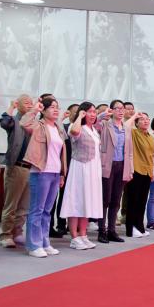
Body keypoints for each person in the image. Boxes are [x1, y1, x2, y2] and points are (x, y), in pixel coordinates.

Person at [20, 97, 68, 258]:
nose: (56, 109)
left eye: (57, 107)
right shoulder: (38, 125)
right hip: (40, 171)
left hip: (55, 172)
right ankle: (33, 245)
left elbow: (61, 153)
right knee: (37, 209)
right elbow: (24, 123)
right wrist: (35, 109)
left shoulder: (58, 128)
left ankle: (44, 242)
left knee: (47, 211)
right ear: (44, 110)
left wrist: (62, 174)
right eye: (52, 107)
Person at [60, 102, 102, 249]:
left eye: (94, 112)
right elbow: (74, 132)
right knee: (76, 201)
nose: (93, 114)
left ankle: (83, 234)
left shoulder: (94, 130)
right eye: (89, 112)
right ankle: (74, 237)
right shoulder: (76, 126)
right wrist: (79, 117)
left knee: (87, 202)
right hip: (80, 168)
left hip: (93, 169)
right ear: (83, 113)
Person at [0, 94, 33, 248]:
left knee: (24, 205)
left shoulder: (34, 122)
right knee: (11, 204)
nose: (30, 105)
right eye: (26, 102)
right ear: (18, 105)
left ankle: (17, 232)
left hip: (30, 167)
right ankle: (6, 234)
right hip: (16, 166)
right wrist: (11, 107)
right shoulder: (14, 120)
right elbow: (4, 122)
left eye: (31, 103)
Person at [95, 99, 130, 244]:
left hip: (121, 165)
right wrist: (102, 115)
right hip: (107, 165)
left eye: (122, 108)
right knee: (105, 199)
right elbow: (94, 125)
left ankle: (112, 231)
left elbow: (129, 151)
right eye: (117, 108)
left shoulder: (126, 127)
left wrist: (130, 170)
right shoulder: (105, 124)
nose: (120, 111)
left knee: (116, 200)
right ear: (112, 110)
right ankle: (101, 231)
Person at [124, 111, 154, 238]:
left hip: (147, 171)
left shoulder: (150, 136)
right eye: (142, 119)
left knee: (142, 201)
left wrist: (152, 171)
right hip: (136, 170)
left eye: (147, 119)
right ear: (136, 123)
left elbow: (151, 156)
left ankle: (139, 226)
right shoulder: (133, 133)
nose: (146, 121)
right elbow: (126, 126)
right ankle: (130, 228)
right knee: (133, 201)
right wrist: (134, 116)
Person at [51, 103, 80, 237]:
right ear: (68, 113)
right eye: (74, 111)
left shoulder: (82, 129)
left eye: (79, 111)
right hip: (61, 167)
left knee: (67, 198)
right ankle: (53, 226)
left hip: (75, 168)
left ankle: (65, 225)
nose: (77, 114)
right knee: (54, 197)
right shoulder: (63, 127)